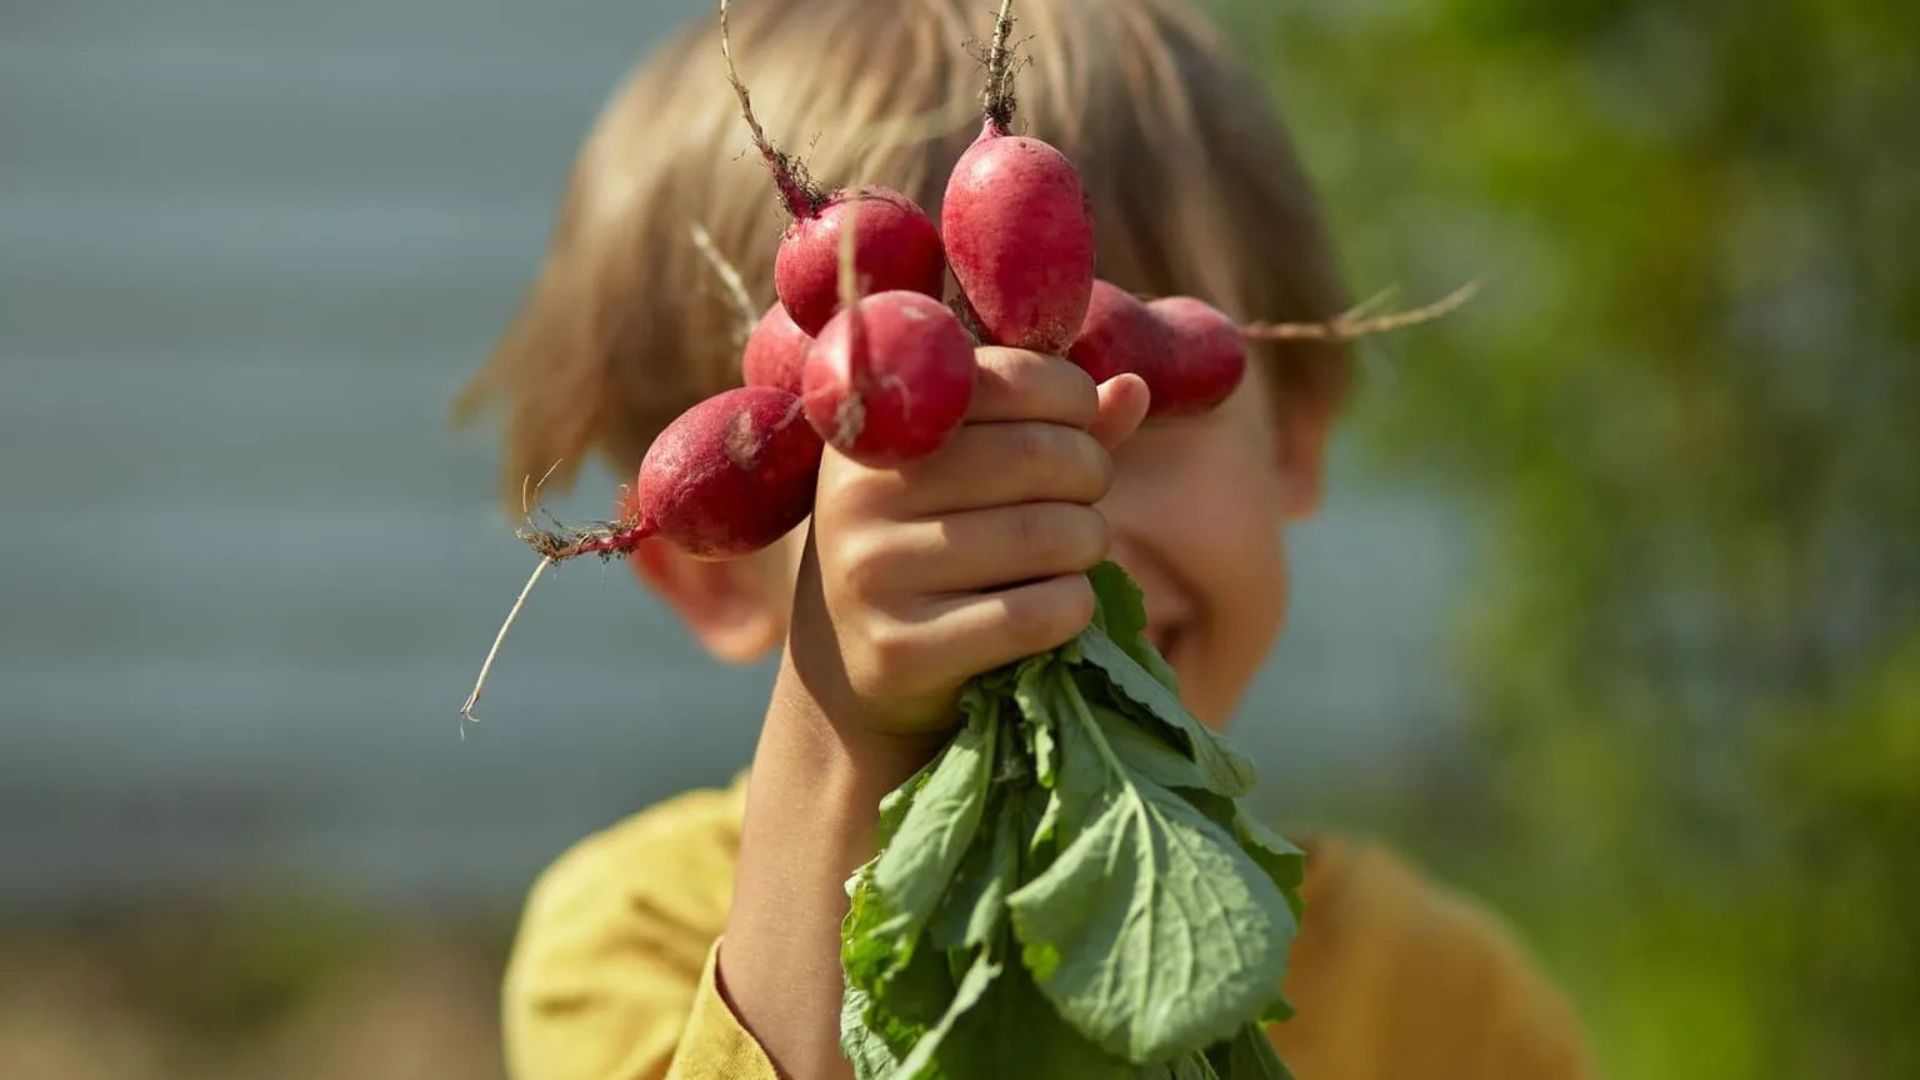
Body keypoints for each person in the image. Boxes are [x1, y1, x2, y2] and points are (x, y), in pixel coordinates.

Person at [460, 0, 1595, 1077]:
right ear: (709, 580)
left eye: (1132, 405)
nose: (1045, 516)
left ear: (1293, 440)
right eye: (907, 473)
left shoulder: (1451, 1012)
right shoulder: (630, 935)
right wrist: (842, 726)